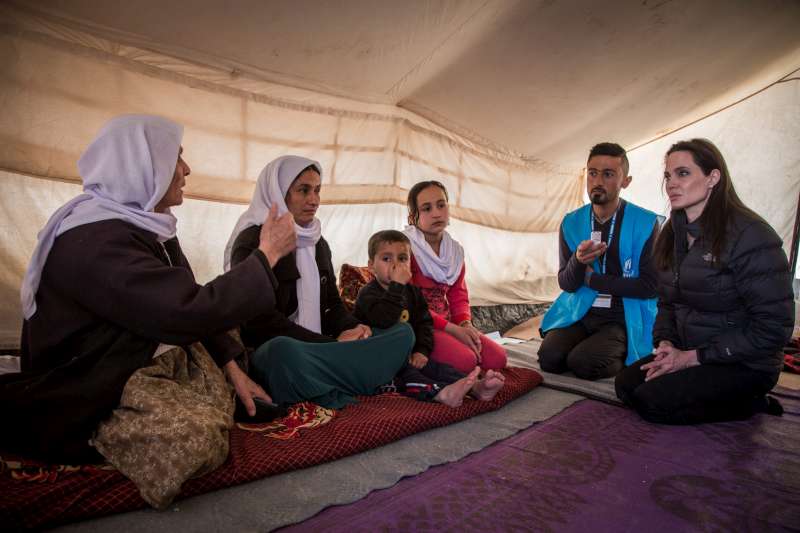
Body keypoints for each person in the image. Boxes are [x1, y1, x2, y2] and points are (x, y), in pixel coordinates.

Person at [0, 114, 296, 465]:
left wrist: (232, 370)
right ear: (142, 166)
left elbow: (188, 297)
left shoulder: (148, 227)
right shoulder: (95, 241)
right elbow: (185, 311)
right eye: (176, 157)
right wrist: (268, 254)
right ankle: (98, 431)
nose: (186, 170)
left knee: (229, 342)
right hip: (89, 381)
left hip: (133, 355)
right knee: (195, 442)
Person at [615, 138, 794, 424]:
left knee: (652, 403)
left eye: (683, 173)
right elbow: (667, 302)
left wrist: (693, 357)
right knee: (625, 386)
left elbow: (774, 327)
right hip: (689, 352)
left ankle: (751, 402)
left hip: (744, 363)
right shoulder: (672, 233)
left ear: (713, 178)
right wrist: (666, 344)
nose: (671, 183)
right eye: (668, 175)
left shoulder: (751, 235)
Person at [226, 156, 411, 409]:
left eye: (317, 190)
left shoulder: (318, 243)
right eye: (303, 190)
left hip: (321, 349)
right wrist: (331, 344)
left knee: (402, 333)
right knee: (283, 352)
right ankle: (354, 379)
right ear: (279, 193)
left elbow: (332, 304)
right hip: (276, 350)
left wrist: (355, 328)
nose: (314, 200)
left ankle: (326, 383)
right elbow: (258, 322)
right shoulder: (253, 241)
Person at [538, 143, 659, 380]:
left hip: (622, 315)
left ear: (626, 181)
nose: (598, 181)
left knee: (583, 364)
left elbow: (649, 286)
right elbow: (567, 283)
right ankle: (590, 345)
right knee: (550, 359)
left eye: (608, 174)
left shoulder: (645, 223)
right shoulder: (571, 222)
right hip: (581, 312)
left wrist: (594, 280)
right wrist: (577, 260)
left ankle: (624, 354)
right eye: (592, 173)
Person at [355, 230, 505, 406]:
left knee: (438, 368)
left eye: (402, 258)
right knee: (410, 376)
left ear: (410, 264)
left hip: (408, 355)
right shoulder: (367, 294)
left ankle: (476, 388)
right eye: (387, 259)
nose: (395, 265)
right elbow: (384, 319)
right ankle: (442, 393)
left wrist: (422, 351)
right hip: (380, 361)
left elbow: (424, 323)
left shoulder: (412, 292)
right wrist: (396, 286)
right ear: (371, 266)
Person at [404, 181, 508, 374]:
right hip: (420, 326)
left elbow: (458, 296)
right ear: (413, 218)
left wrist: (465, 325)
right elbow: (411, 306)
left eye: (441, 205)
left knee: (498, 358)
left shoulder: (454, 252)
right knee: (467, 361)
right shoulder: (405, 249)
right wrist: (454, 330)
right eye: (426, 208)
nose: (436, 213)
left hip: (449, 324)